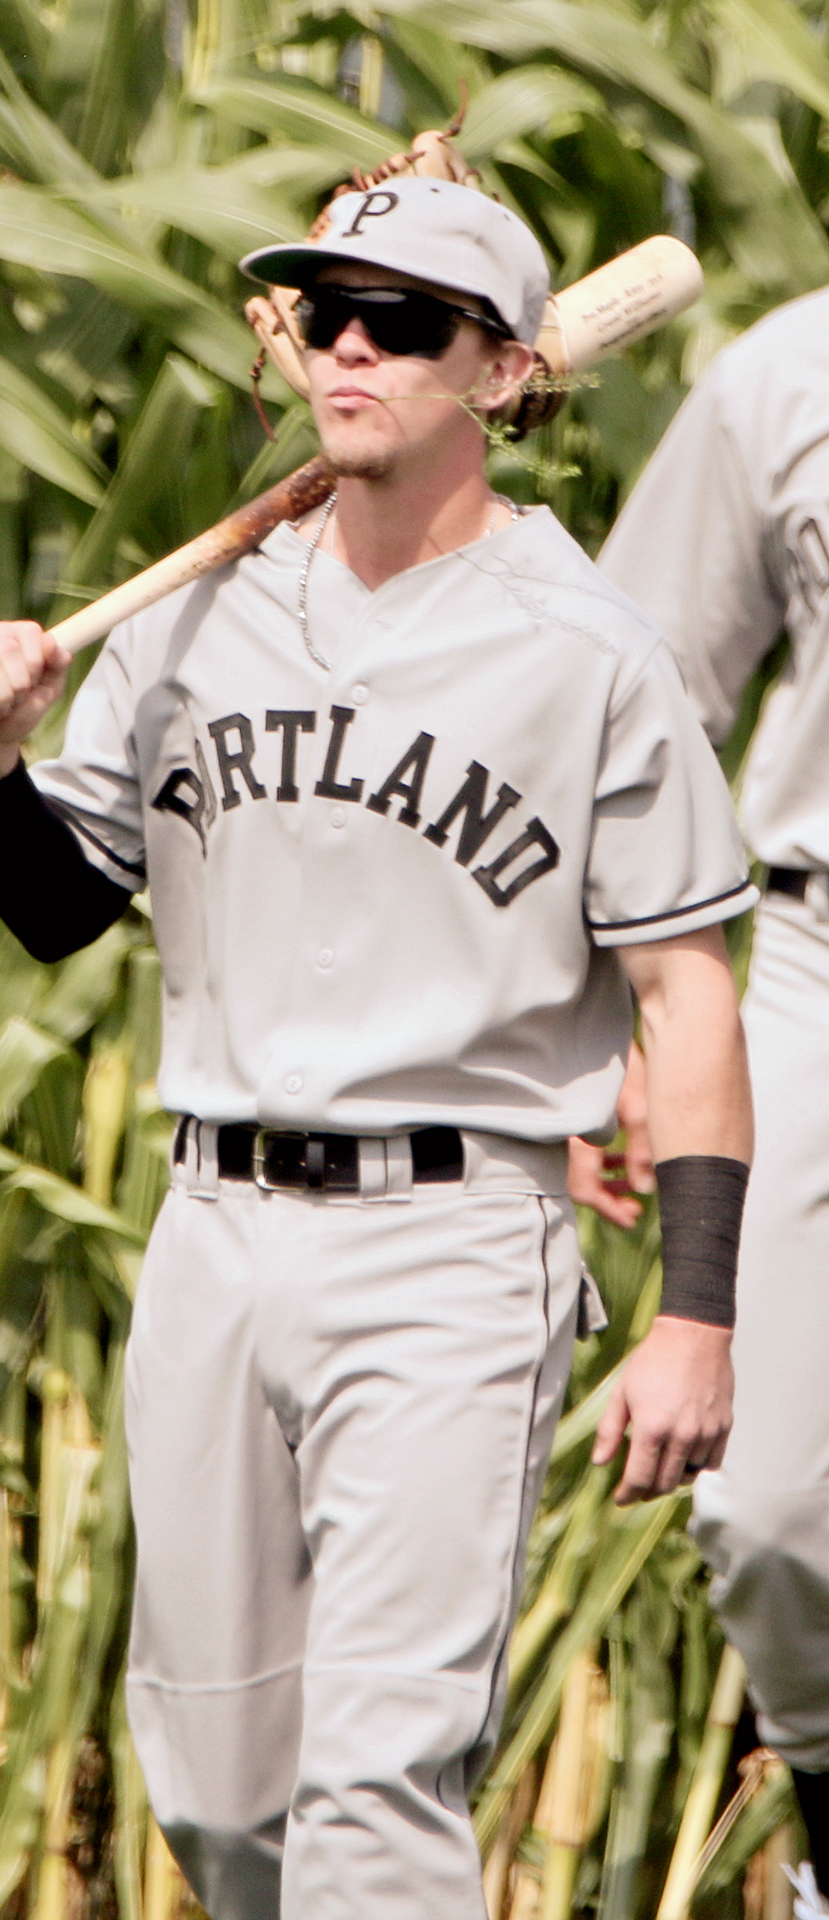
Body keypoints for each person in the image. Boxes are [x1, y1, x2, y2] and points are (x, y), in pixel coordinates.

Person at [0, 178, 756, 1920]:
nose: (353, 347)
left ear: (504, 371)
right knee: (220, 1797)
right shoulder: (187, 618)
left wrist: (694, 1314)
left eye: (406, 319)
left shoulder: (588, 651)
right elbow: (61, 911)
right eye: (325, 314)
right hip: (212, 1239)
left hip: (452, 1245)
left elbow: (686, 996)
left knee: (377, 1785)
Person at [597, 290, 829, 1918]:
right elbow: (637, 697)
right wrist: (602, 1016)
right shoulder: (789, 374)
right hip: (819, 962)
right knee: (771, 1508)